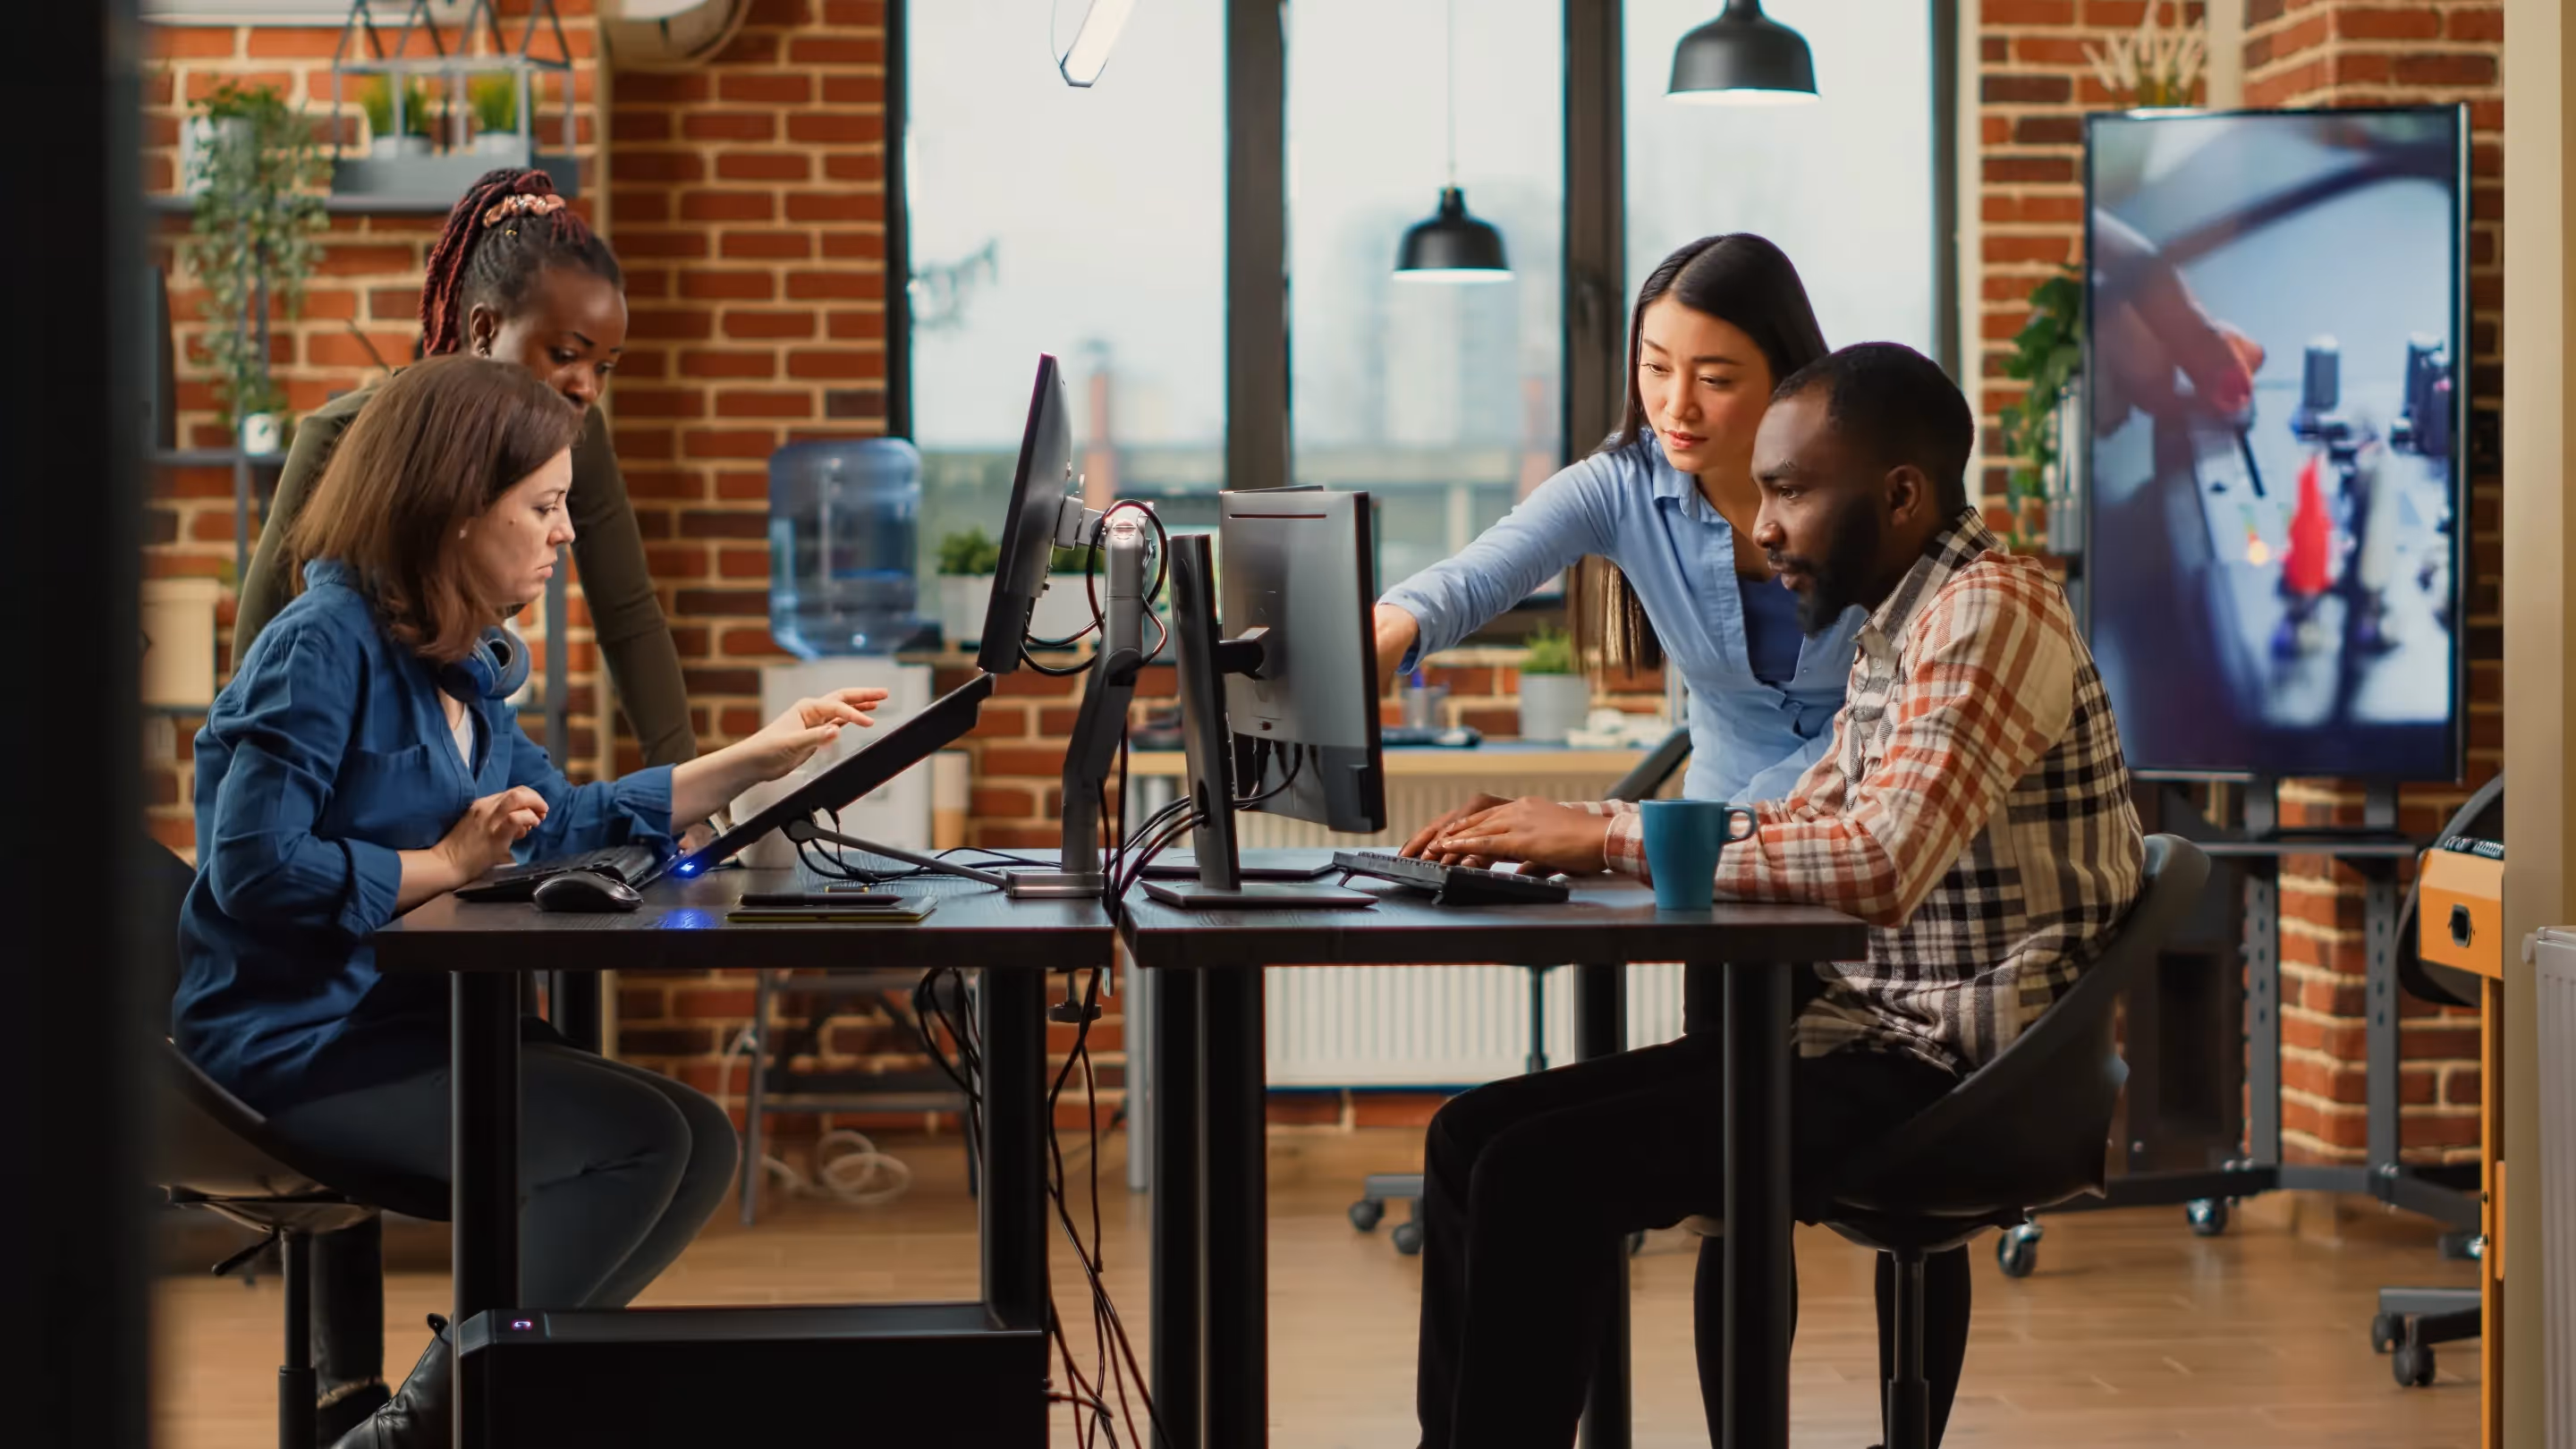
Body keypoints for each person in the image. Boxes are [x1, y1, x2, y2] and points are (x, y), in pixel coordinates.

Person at [1403, 343, 2148, 1449]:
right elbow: (1815, 815)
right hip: (1866, 1035)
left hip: (1953, 1070)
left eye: (1791, 491)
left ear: (1901, 496)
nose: (1760, 527)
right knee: (1472, 1138)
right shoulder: (1901, 624)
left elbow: (1881, 863)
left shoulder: (1988, 615)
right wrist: (1577, 841)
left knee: (1539, 1177)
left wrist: (1610, 836)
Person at [173, 356, 889, 1449]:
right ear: (458, 508)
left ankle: (483, 1410)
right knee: (638, 1141)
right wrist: (441, 869)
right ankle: (423, 1433)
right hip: (297, 1040)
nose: (567, 534)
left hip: (404, 1023)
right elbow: (255, 869)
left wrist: (757, 760)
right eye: (544, 508)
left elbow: (555, 821)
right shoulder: (319, 647)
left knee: (694, 1137)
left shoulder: (457, 661)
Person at [229, 166, 698, 1436]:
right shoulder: (357, 449)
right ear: (481, 333)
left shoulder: (559, 449)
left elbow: (631, 612)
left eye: (602, 364)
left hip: (438, 836)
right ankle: (359, 1396)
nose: (584, 387)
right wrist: (405, 837)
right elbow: (279, 662)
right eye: (564, 354)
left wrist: (700, 790)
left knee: (638, 1125)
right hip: (341, 855)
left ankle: (467, 1405)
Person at [1375, 233, 1858, 808]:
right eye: (1655, 367)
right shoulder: (1622, 485)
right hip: (1710, 847)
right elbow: (1477, 575)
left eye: (1714, 379)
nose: (1677, 405)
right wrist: (1391, 626)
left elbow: (1893, 715)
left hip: (1860, 824)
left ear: (1786, 376)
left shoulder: (1866, 493)